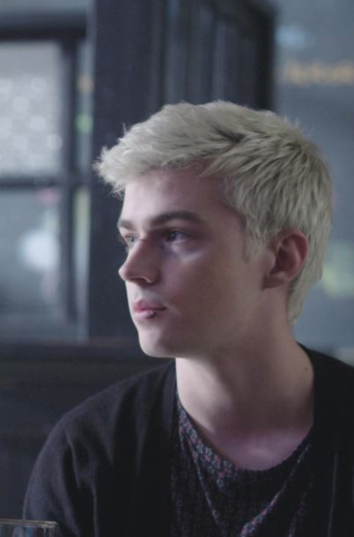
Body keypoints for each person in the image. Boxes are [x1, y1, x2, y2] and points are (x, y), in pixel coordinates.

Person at [23, 101, 354, 536]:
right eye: (130, 239)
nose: (131, 269)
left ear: (281, 259)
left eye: (175, 235)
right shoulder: (87, 451)